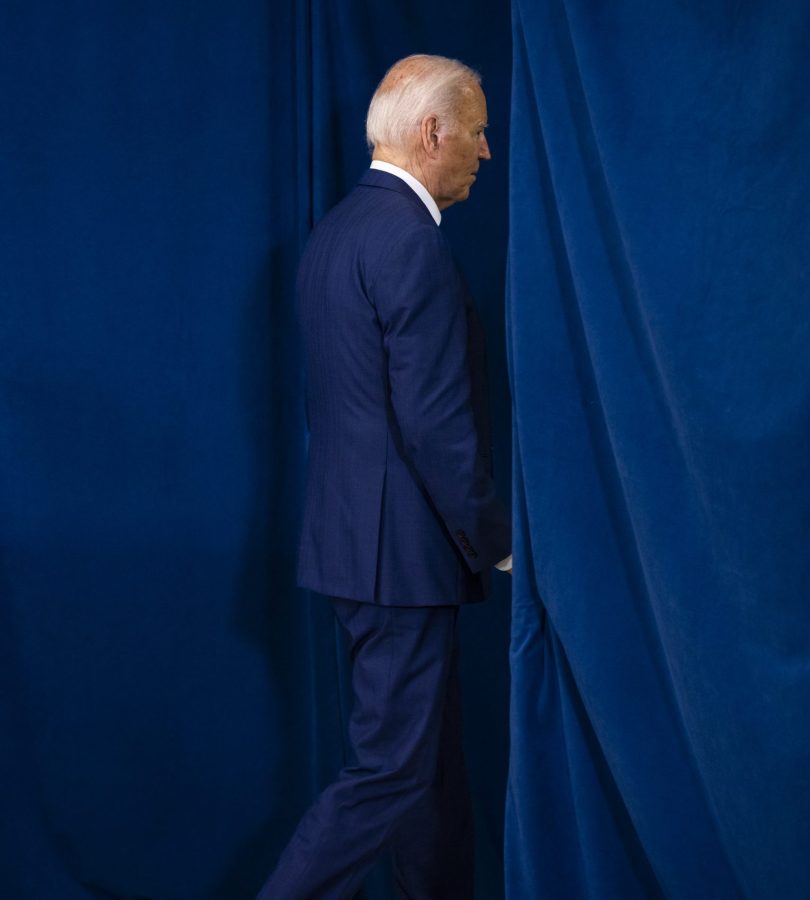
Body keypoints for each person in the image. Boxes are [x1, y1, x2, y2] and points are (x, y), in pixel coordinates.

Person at [259, 54, 512, 900]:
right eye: (476, 132)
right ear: (432, 132)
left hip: (354, 555)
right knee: (391, 774)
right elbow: (434, 423)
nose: (485, 151)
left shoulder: (337, 233)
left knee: (430, 773)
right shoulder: (410, 244)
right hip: (399, 561)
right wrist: (496, 540)